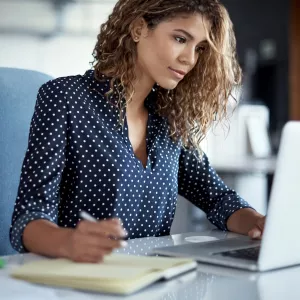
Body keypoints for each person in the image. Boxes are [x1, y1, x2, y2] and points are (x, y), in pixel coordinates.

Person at [10, 0, 265, 263]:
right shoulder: (65, 98)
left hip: (154, 282)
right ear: (138, 29)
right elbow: (28, 220)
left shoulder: (170, 120)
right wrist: (68, 242)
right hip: (83, 281)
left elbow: (219, 200)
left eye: (199, 48)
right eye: (180, 39)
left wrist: (259, 222)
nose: (189, 59)